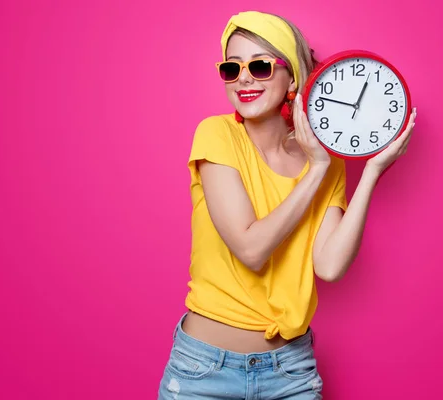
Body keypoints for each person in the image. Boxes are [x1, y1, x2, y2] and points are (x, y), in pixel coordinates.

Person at [158, 10, 417, 400]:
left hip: (290, 372)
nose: (244, 77)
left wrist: (371, 172)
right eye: (232, 68)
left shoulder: (327, 162)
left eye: (260, 66)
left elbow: (329, 267)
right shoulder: (217, 135)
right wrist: (315, 169)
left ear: (292, 76)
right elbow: (251, 250)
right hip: (203, 372)